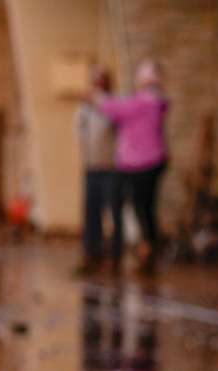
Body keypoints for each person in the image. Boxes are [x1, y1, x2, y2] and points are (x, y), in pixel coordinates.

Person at [96, 59, 168, 274]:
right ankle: (145, 246)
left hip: (139, 163)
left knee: (136, 206)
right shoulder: (155, 102)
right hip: (148, 161)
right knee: (145, 207)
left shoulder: (145, 103)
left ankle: (141, 248)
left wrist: (99, 96)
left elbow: (114, 108)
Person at [76, 66, 123, 274]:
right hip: (92, 167)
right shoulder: (85, 111)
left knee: (112, 213)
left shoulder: (114, 107)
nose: (98, 88)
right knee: (91, 212)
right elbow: (80, 133)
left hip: (112, 168)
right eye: (95, 83)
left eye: (102, 82)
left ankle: (114, 255)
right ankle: (91, 253)